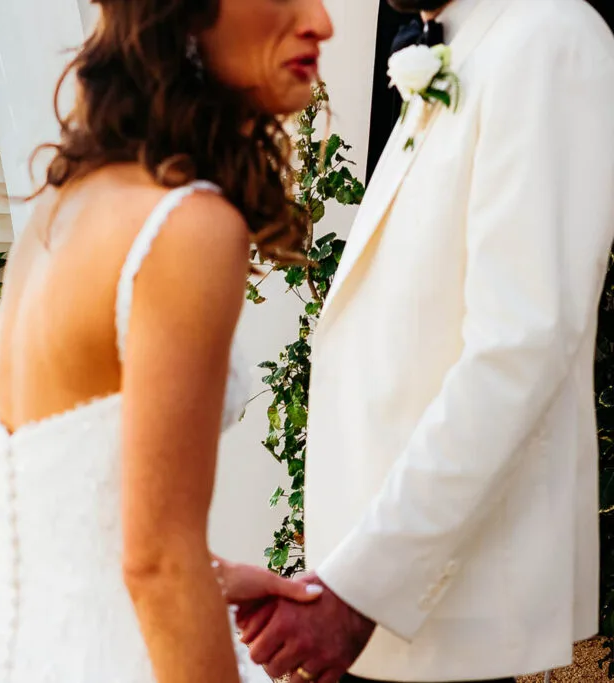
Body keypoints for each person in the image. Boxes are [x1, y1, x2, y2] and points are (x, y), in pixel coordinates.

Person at [234, 0, 614, 681]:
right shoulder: (463, 42)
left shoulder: (551, 36)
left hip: (430, 608)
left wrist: (359, 590)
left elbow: (520, 347)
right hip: (384, 611)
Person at [0, 0, 334, 681]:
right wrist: (184, 567)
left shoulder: (60, 206)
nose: (322, 22)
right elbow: (156, 564)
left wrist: (214, 574)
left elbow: (71, 524)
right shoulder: (186, 225)